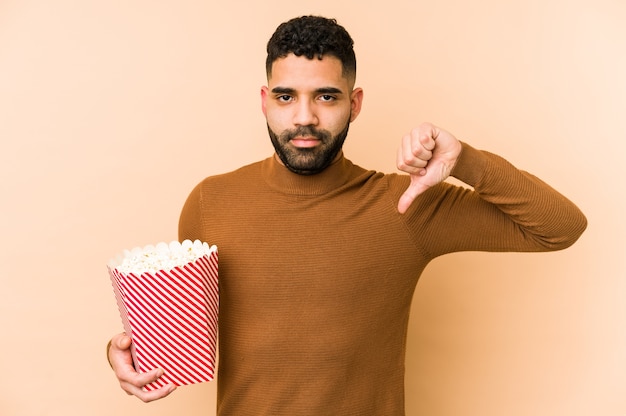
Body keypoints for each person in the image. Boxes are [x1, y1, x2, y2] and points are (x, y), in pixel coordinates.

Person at [107, 15, 587, 415]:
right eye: (286, 96)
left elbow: (560, 228)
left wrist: (464, 160)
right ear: (264, 101)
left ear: (354, 104)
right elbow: (188, 336)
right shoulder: (209, 202)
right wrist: (128, 354)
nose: (304, 118)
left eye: (327, 96)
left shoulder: (407, 206)